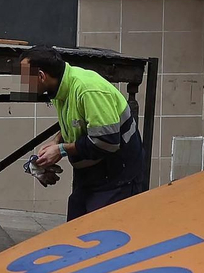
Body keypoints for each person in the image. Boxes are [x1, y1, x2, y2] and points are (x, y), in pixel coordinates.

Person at [22, 46, 147, 219]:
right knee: (75, 230)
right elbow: (77, 121)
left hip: (117, 176)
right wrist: (57, 141)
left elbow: (107, 141)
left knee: (102, 236)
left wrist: (61, 150)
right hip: (90, 175)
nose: (22, 83)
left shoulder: (88, 89)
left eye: (25, 77)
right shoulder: (59, 88)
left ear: (42, 76)